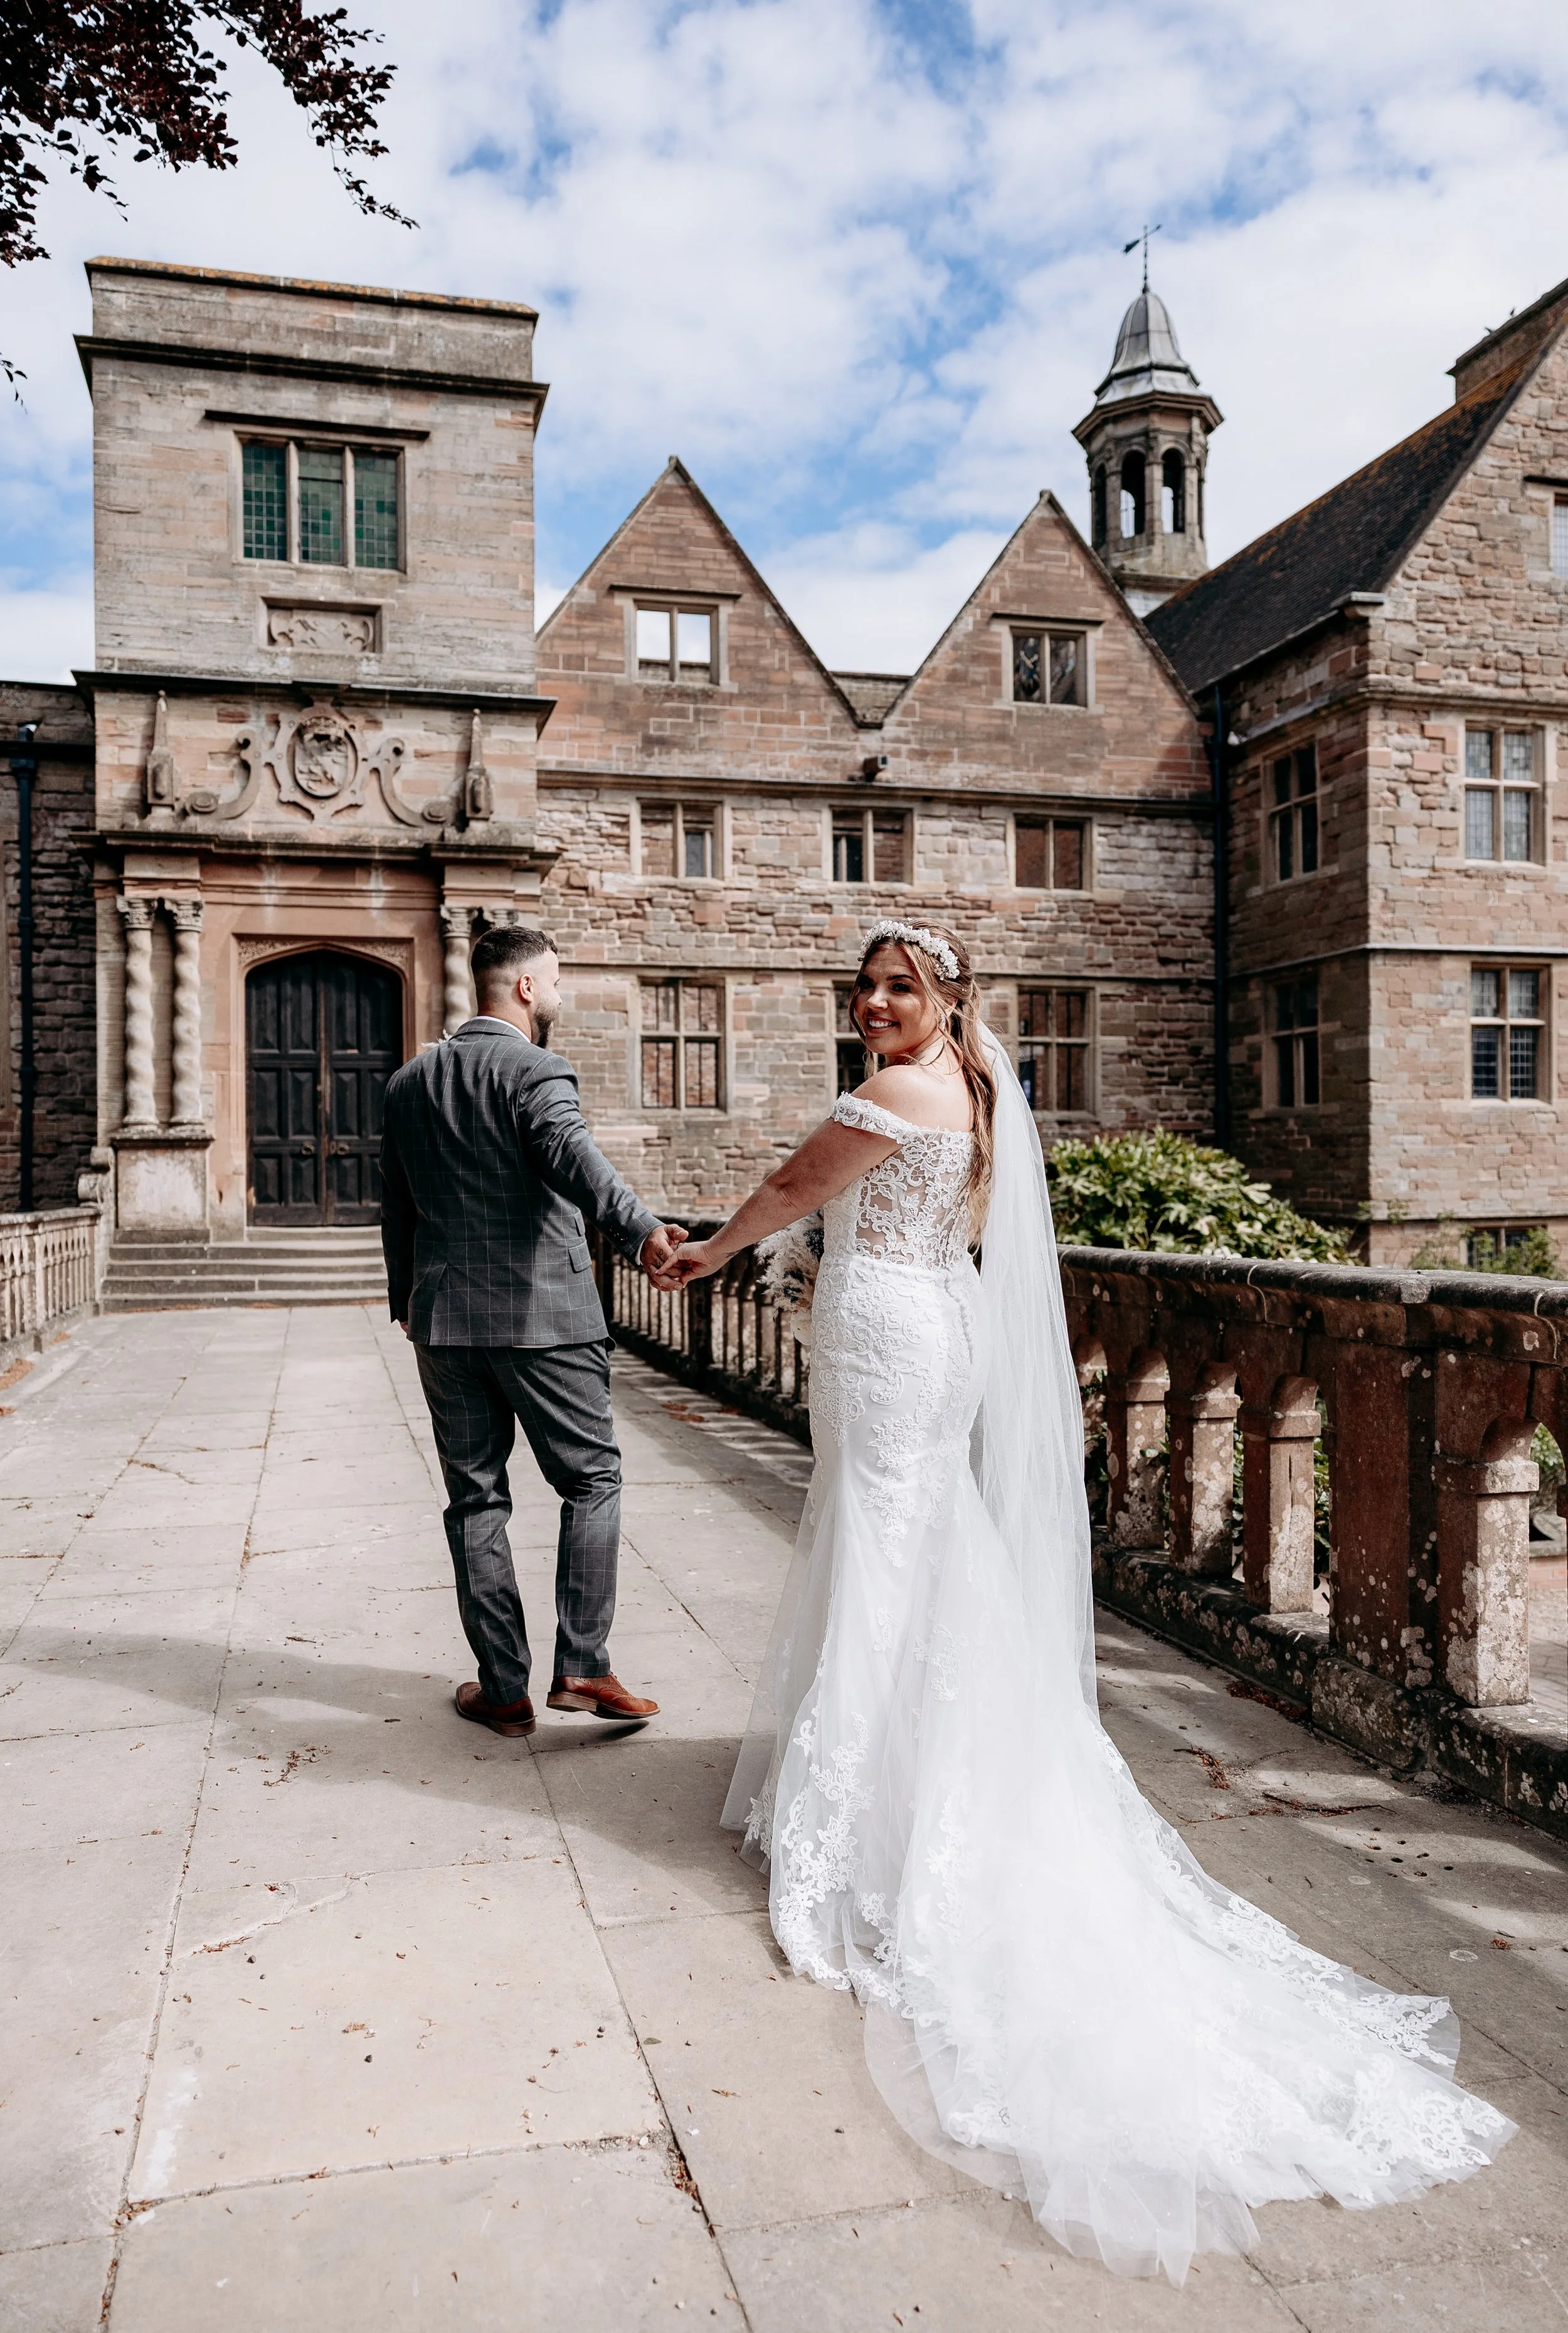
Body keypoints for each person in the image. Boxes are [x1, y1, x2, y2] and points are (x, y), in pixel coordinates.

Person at [655, 918, 1514, 2284]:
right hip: (931, 1331)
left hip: (888, 1337)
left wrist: (701, 1255)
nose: (873, 1004)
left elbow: (783, 1190)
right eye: (865, 987)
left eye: (901, 987)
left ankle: (871, 1806)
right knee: (922, 1547)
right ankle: (927, 1763)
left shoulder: (888, 1096)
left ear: (947, 1001)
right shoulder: (982, 1093)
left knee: (885, 1548)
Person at [380, 923, 687, 1740]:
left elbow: (395, 1204)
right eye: (554, 980)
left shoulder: (409, 1083)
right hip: (544, 1315)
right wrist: (642, 1229)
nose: (558, 993)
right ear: (523, 987)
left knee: (475, 1498)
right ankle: (583, 1665)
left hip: (443, 1318)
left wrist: (405, 1295)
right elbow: (569, 1153)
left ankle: (504, 1687)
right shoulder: (538, 1069)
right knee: (591, 1481)